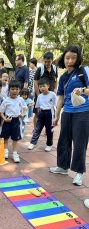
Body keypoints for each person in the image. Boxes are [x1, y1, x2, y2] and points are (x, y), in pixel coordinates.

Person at [50, 45, 89, 186]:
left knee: (80, 142)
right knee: (63, 140)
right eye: (67, 58)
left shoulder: (84, 71)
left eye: (73, 58)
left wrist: (83, 90)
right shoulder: (64, 77)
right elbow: (60, 97)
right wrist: (57, 115)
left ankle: (79, 172)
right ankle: (62, 167)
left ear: (78, 58)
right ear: (63, 58)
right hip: (67, 112)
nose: (70, 61)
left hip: (83, 112)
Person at [0, 80, 27, 162]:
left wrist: (22, 114)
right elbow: (0, 112)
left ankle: (15, 153)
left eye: (17, 89)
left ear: (19, 90)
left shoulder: (20, 99)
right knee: (5, 137)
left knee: (15, 138)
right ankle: (5, 151)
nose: (15, 91)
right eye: (13, 89)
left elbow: (25, 108)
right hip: (7, 120)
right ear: (9, 90)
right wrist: (4, 119)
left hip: (16, 121)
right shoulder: (6, 100)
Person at [28, 78, 57, 151]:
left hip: (49, 113)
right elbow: (38, 107)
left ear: (48, 86)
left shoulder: (52, 94)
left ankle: (49, 144)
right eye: (40, 87)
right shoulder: (40, 96)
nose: (42, 88)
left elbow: (56, 105)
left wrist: (55, 117)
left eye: (43, 86)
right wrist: (38, 115)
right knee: (37, 129)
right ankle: (32, 143)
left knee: (49, 130)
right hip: (41, 113)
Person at [33, 52, 58, 128]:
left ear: (52, 60)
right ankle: (36, 129)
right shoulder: (40, 69)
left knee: (50, 112)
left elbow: (56, 79)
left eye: (49, 61)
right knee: (38, 113)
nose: (47, 63)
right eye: (45, 61)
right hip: (41, 94)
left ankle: (48, 129)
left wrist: (54, 89)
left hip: (50, 95)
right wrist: (38, 94)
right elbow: (35, 81)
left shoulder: (54, 68)